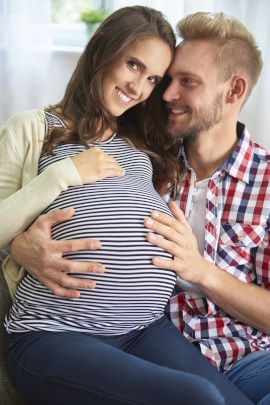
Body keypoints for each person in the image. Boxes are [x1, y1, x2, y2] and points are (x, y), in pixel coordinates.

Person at [0, 6, 252, 405]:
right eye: (134, 65)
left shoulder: (140, 145)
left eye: (153, 78)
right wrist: (62, 175)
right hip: (55, 332)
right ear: (102, 46)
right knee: (199, 398)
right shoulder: (33, 128)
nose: (140, 87)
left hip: (144, 329)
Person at [141, 11, 270, 405]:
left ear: (233, 91)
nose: (166, 95)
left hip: (254, 362)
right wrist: (23, 243)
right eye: (168, 80)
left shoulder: (267, 182)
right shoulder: (146, 166)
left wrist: (199, 270)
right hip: (166, 359)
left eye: (188, 83)